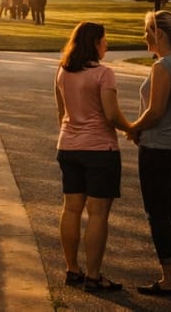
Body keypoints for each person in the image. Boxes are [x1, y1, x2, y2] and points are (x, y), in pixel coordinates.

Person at [55, 21, 134, 293]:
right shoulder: (104, 74)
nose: (107, 45)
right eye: (104, 40)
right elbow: (111, 115)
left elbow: (61, 112)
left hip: (68, 146)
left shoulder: (63, 72)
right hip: (100, 150)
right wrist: (133, 129)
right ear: (94, 44)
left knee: (71, 209)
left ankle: (71, 270)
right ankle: (93, 276)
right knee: (98, 214)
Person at [128, 10, 171, 296]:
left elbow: (155, 111)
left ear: (158, 35)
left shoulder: (163, 67)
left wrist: (133, 128)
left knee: (157, 214)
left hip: (159, 150)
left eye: (147, 32)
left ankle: (169, 279)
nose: (145, 37)